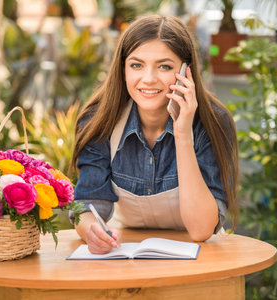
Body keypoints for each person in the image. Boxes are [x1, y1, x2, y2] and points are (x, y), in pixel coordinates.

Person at [69, 14, 239, 254]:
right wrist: (91, 231)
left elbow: (201, 230)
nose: (148, 79)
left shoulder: (213, 123)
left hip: (199, 258)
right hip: (125, 254)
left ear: (186, 71)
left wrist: (183, 135)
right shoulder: (98, 121)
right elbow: (88, 207)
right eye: (136, 65)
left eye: (164, 66)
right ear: (123, 69)